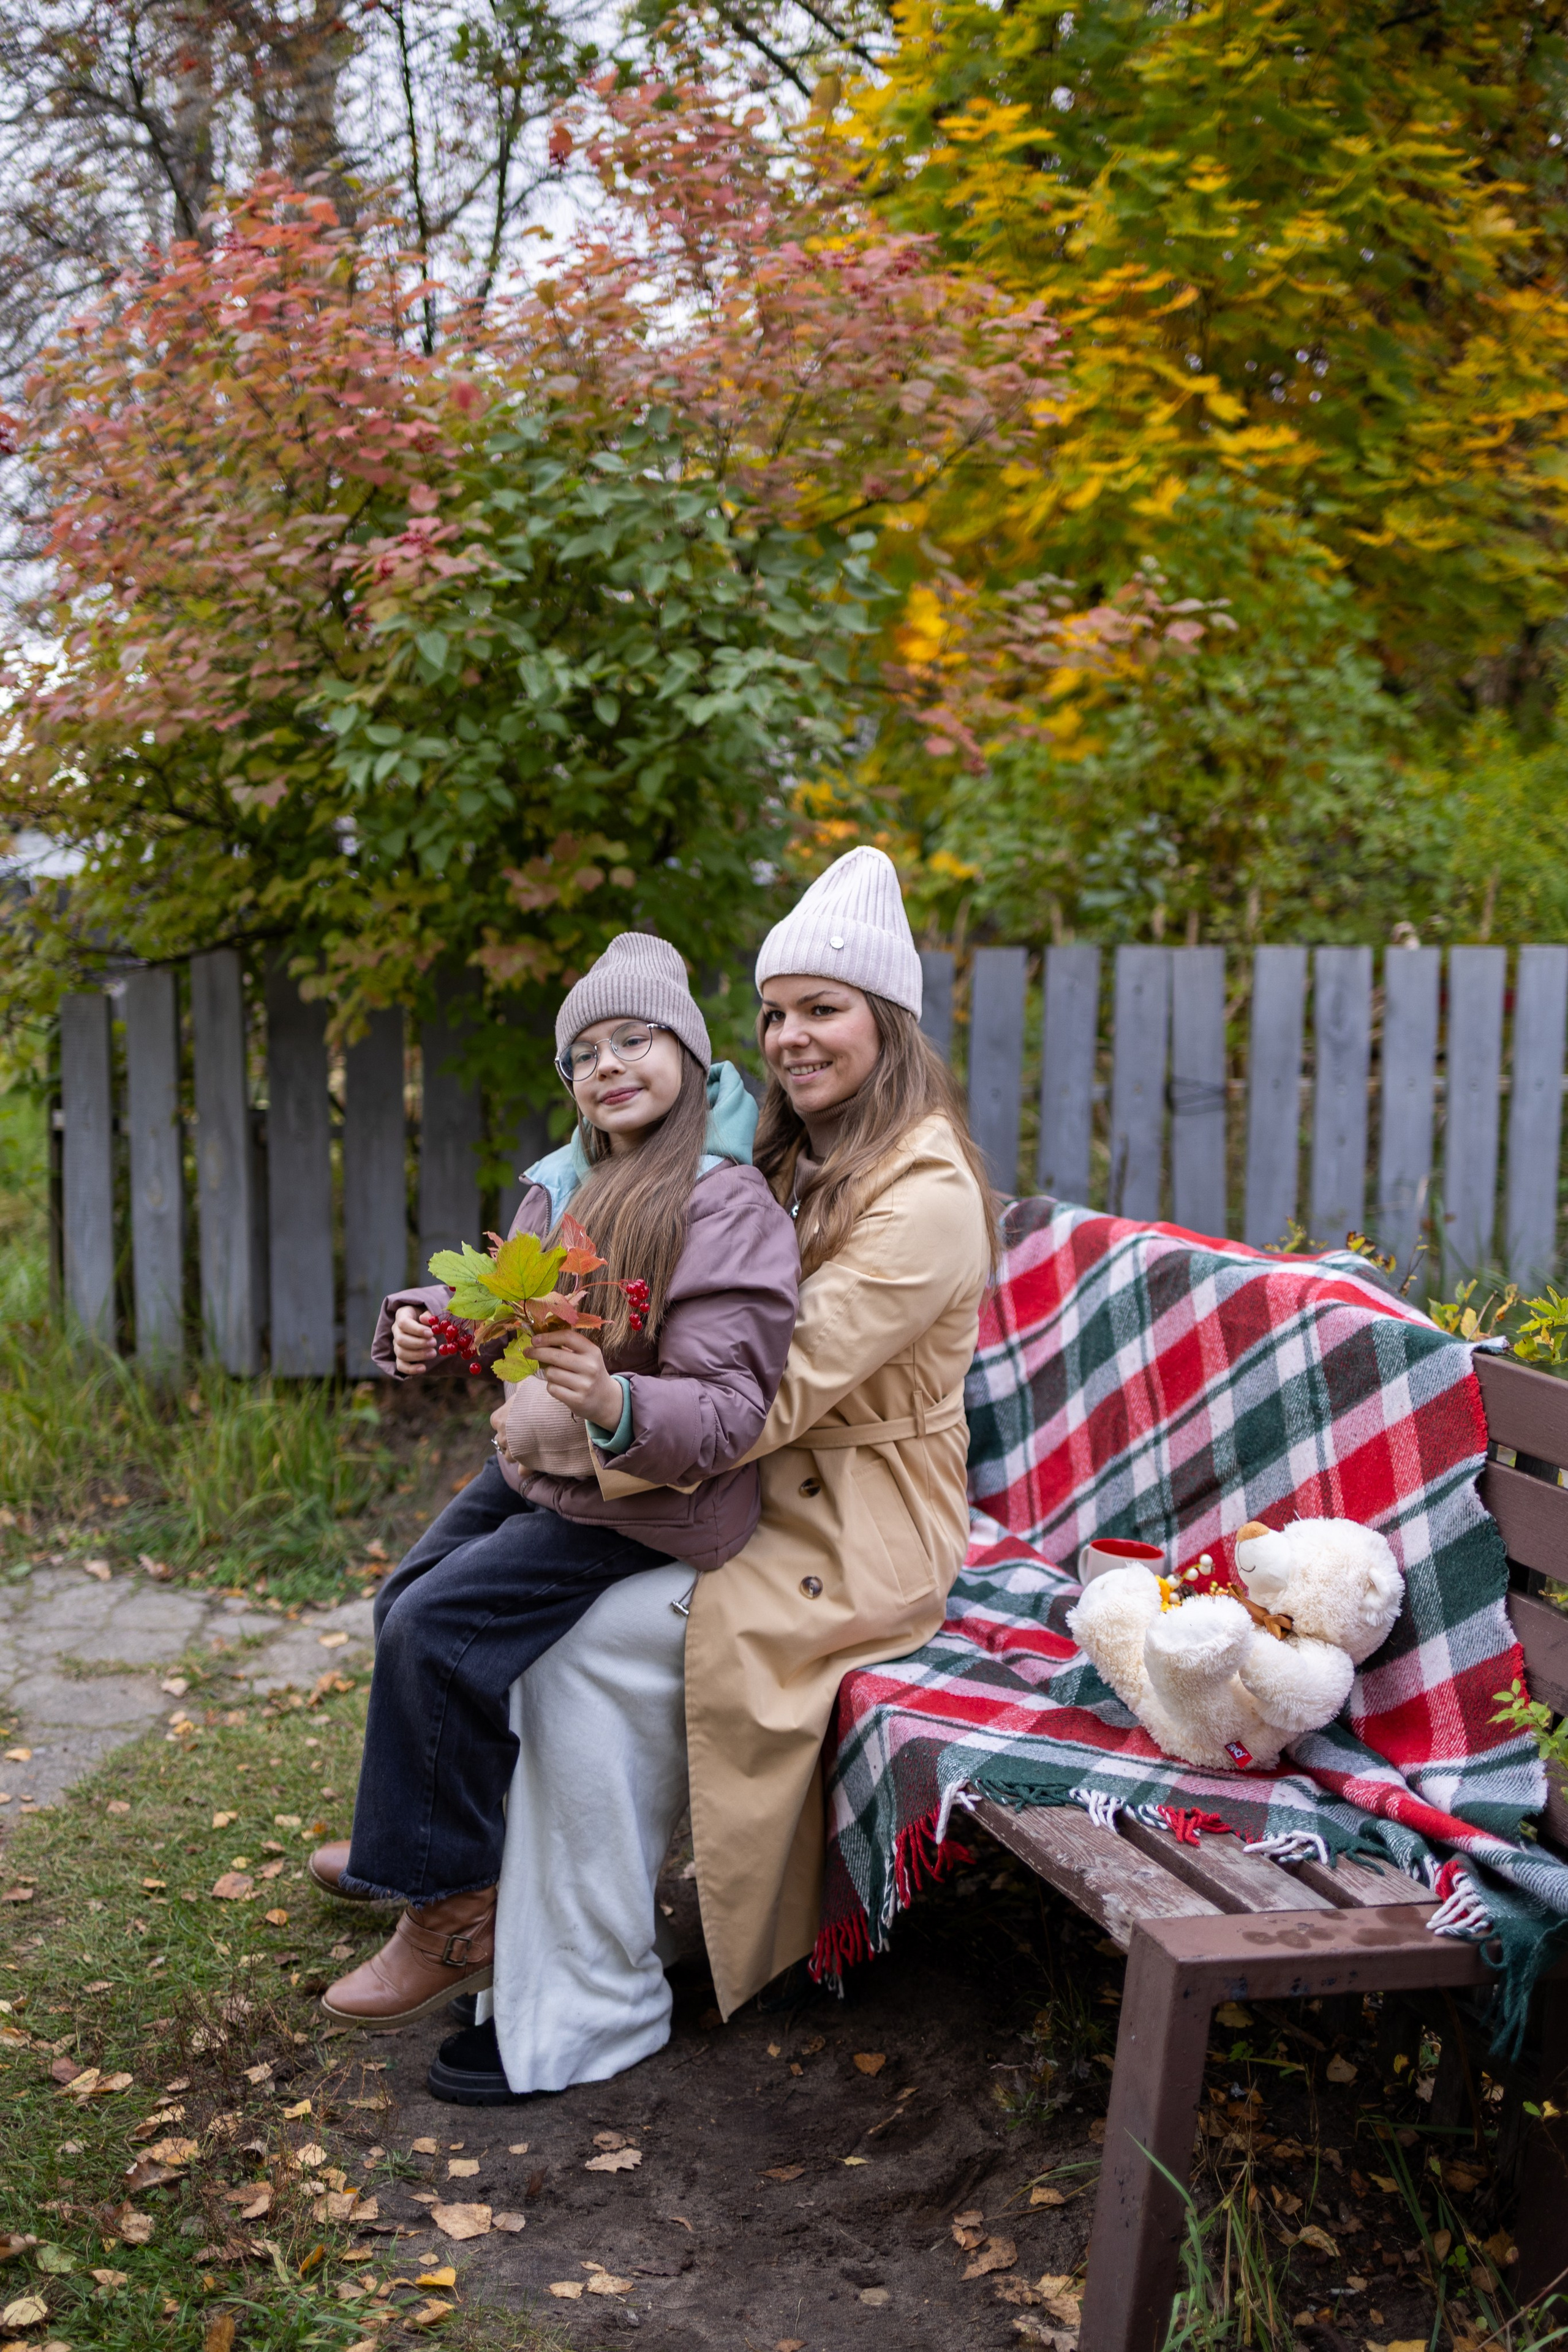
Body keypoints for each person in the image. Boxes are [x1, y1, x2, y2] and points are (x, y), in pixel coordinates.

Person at [426, 845, 997, 2101]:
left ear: (886, 1022)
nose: (791, 1038)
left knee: (580, 1647)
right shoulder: (789, 1156)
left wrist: (564, 1430)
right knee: (478, 1600)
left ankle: (584, 2005)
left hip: (847, 1527)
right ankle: (471, 1902)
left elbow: (773, 1391)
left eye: (822, 1010)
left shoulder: (923, 1192)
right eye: (775, 1014)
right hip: (730, 1487)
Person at [311, 933, 800, 2028]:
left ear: (687, 1052)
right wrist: (431, 1329)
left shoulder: (724, 1204)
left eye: (635, 1039)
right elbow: (502, 1311)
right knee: (407, 1599)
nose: (608, 1065)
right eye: (584, 1053)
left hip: (656, 1499)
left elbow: (730, 1408)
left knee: (439, 1627)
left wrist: (614, 1403)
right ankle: (414, 1845)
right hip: (551, 1471)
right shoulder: (566, 1181)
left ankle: (450, 1914)